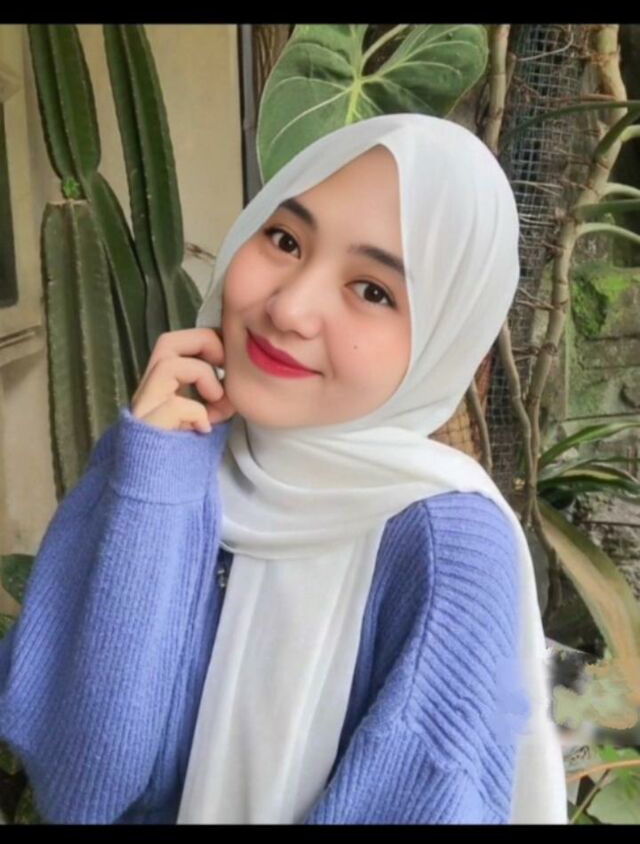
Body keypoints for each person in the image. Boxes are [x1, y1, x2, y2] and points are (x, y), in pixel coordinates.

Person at [0, 113, 568, 825]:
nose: (290, 308)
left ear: (441, 341)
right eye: (285, 240)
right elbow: (82, 788)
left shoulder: (446, 549)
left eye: (373, 291)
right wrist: (152, 484)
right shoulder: (166, 450)